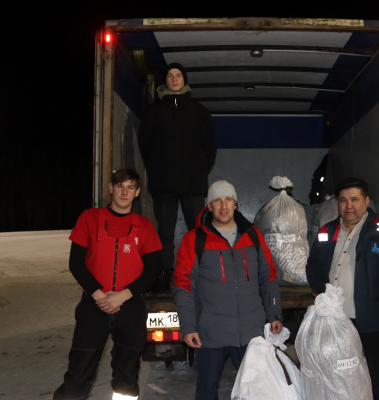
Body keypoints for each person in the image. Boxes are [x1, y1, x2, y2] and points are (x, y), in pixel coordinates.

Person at [54, 169, 162, 400]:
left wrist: (122, 296)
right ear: (111, 188)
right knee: (78, 373)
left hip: (130, 308)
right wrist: (100, 296)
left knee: (127, 376)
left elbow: (152, 270)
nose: (124, 192)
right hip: (93, 307)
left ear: (137, 192)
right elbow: (76, 264)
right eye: (120, 186)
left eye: (130, 187)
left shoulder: (145, 227)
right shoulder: (89, 218)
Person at [173, 180, 283, 400]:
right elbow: (183, 284)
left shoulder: (253, 236)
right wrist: (188, 326)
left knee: (256, 391)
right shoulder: (195, 240)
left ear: (235, 204)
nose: (223, 205)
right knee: (206, 393)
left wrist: (274, 314)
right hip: (211, 333)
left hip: (251, 332)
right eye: (217, 200)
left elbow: (268, 277)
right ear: (209, 206)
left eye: (228, 199)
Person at [306, 177, 379, 400]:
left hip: (372, 320)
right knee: (338, 376)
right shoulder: (327, 231)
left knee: (375, 376)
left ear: (366, 201)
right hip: (336, 321)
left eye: (355, 199)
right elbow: (313, 265)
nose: (349, 206)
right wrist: (322, 292)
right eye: (343, 200)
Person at [138, 62, 217, 293]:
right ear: (166, 81)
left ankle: (200, 275)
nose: (174, 79)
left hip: (193, 185)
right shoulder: (155, 111)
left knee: (199, 231)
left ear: (185, 80)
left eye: (178, 75)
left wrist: (201, 170)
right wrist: (155, 169)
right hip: (164, 185)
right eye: (170, 76)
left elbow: (210, 146)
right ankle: (163, 274)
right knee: (164, 233)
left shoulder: (199, 111)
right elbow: (145, 144)